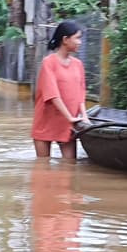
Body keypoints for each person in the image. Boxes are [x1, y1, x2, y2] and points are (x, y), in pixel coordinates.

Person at [32, 20, 90, 159]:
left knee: (69, 167)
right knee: (42, 168)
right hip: (46, 121)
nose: (80, 42)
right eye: (77, 38)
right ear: (65, 39)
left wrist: (84, 116)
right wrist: (69, 117)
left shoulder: (78, 64)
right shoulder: (49, 62)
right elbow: (52, 94)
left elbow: (80, 93)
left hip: (68, 123)